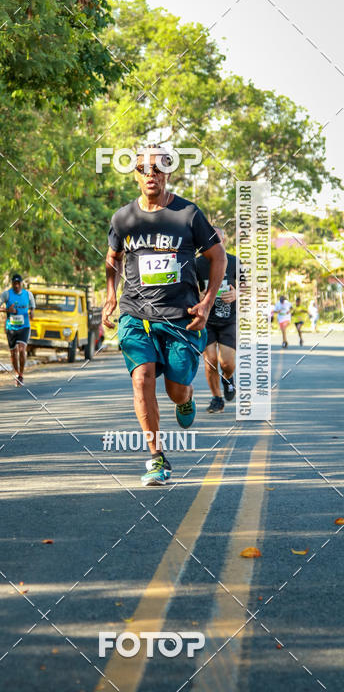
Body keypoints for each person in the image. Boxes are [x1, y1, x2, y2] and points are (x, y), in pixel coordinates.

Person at [103, 145, 226, 487]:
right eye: (143, 168)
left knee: (176, 391)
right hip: (136, 313)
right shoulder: (123, 218)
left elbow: (219, 257)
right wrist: (111, 295)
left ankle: (186, 398)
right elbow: (112, 258)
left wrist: (207, 302)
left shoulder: (188, 214)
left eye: (157, 169)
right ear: (136, 174)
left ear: (168, 173)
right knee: (141, 377)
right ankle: (156, 457)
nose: (150, 174)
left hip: (180, 318)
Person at [195, 226, 241, 412]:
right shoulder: (197, 264)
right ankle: (216, 398)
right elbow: (189, 289)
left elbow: (249, 285)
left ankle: (228, 378)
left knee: (227, 363)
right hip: (206, 319)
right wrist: (198, 295)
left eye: (218, 239)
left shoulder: (234, 261)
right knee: (211, 360)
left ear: (224, 241)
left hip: (228, 319)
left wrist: (237, 293)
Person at [0, 274, 35, 386]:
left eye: (18, 283)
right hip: (11, 328)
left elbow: (32, 308)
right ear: (12, 283)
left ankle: (21, 375)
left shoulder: (28, 294)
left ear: (21, 283)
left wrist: (32, 313)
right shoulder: (7, 294)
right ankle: (17, 374)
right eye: (14, 283)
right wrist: (7, 309)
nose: (16, 285)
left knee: (22, 350)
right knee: (13, 352)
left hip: (24, 327)